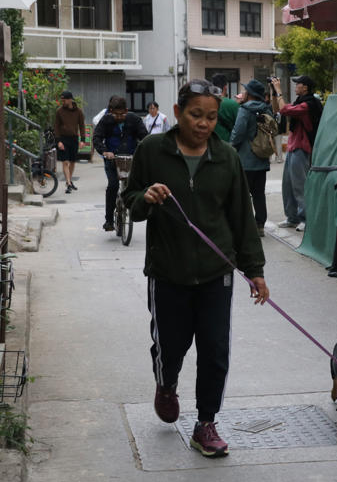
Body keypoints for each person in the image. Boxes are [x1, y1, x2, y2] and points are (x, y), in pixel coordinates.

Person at [122, 79, 270, 458]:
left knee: (215, 348)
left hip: (215, 271)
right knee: (170, 345)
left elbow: (241, 216)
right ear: (177, 113)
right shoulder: (152, 150)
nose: (204, 123)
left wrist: (255, 270)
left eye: (210, 117)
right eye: (195, 115)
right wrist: (146, 198)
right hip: (168, 271)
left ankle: (206, 423)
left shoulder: (227, 158)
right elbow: (130, 202)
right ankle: (166, 383)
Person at [270, 75, 323, 232]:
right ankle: (292, 218)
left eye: (297, 84)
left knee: (300, 186)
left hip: (302, 147)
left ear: (305, 87)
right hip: (293, 147)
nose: (295, 86)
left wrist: (279, 90)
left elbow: (285, 110)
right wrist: (273, 92)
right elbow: (277, 109)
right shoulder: (300, 102)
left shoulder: (309, 104)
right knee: (288, 185)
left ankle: (306, 219)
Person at [92, 95, 148, 232]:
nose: (119, 117)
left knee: (134, 186)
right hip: (112, 160)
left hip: (131, 159)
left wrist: (142, 151)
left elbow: (145, 137)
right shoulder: (106, 120)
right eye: (116, 114)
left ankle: (134, 211)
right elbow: (97, 138)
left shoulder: (134, 119)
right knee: (113, 186)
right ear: (110, 112)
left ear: (127, 110)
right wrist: (105, 152)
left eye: (122, 114)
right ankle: (109, 220)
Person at [230, 79, 273, 237]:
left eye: (246, 90)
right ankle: (260, 224)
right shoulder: (266, 109)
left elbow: (238, 132)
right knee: (259, 193)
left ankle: (244, 225)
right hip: (261, 158)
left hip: (245, 160)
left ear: (250, 93)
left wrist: (231, 145)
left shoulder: (245, 109)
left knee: (243, 194)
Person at [53, 90, 85, 194]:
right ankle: (68, 183)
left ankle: (69, 181)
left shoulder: (78, 111)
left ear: (70, 99)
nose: (63, 102)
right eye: (62, 100)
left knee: (72, 161)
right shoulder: (59, 111)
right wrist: (58, 141)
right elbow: (56, 127)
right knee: (65, 161)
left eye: (65, 100)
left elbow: (82, 126)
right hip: (63, 139)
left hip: (74, 138)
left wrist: (83, 140)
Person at [210, 73, 239, 142]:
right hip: (226, 145)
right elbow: (240, 128)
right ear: (225, 87)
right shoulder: (233, 104)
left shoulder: (206, 103)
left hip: (207, 145)